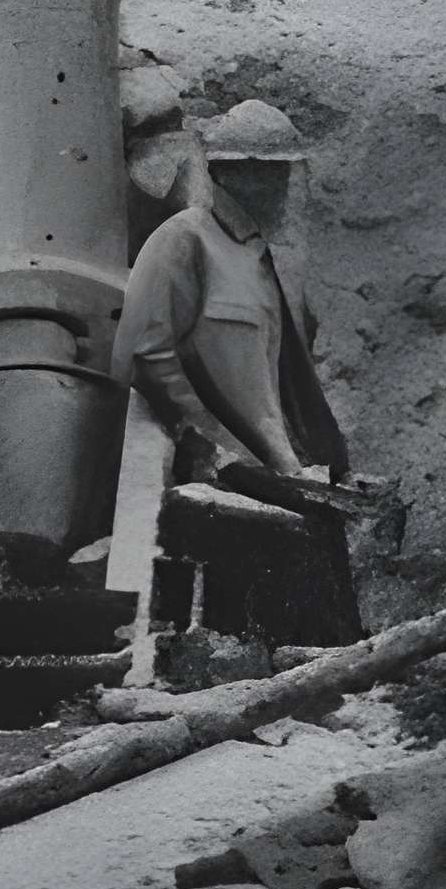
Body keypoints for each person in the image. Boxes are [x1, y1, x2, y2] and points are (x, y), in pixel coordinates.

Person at [117, 98, 362, 648]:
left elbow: (283, 382)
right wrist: (213, 442)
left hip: (277, 473)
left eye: (275, 173)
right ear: (220, 171)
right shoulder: (184, 240)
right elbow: (144, 352)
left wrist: (312, 459)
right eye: (250, 171)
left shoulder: (262, 257)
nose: (266, 186)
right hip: (217, 476)